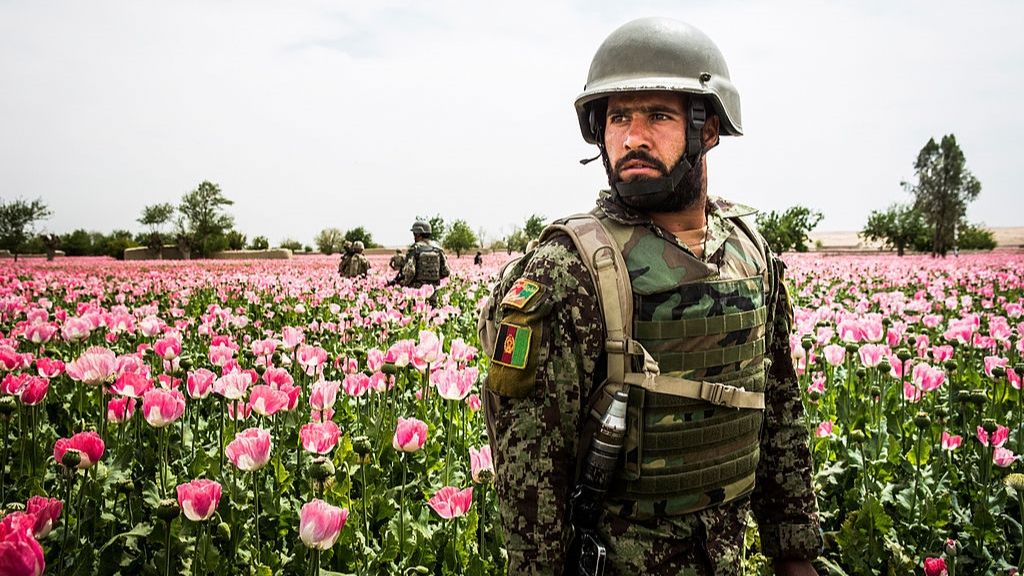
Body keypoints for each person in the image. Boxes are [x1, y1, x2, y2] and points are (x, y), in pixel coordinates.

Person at [482, 17, 821, 576]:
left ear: (707, 128)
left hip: (726, 557)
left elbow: (778, 407)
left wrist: (794, 550)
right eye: (618, 117)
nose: (633, 137)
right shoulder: (568, 270)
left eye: (658, 116)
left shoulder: (750, 253)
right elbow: (530, 476)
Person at [390, 221, 450, 288]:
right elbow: (446, 272)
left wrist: (403, 283)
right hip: (434, 288)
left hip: (417, 290)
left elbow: (410, 271)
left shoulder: (415, 248)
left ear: (418, 234)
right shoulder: (438, 248)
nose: (414, 237)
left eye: (414, 234)